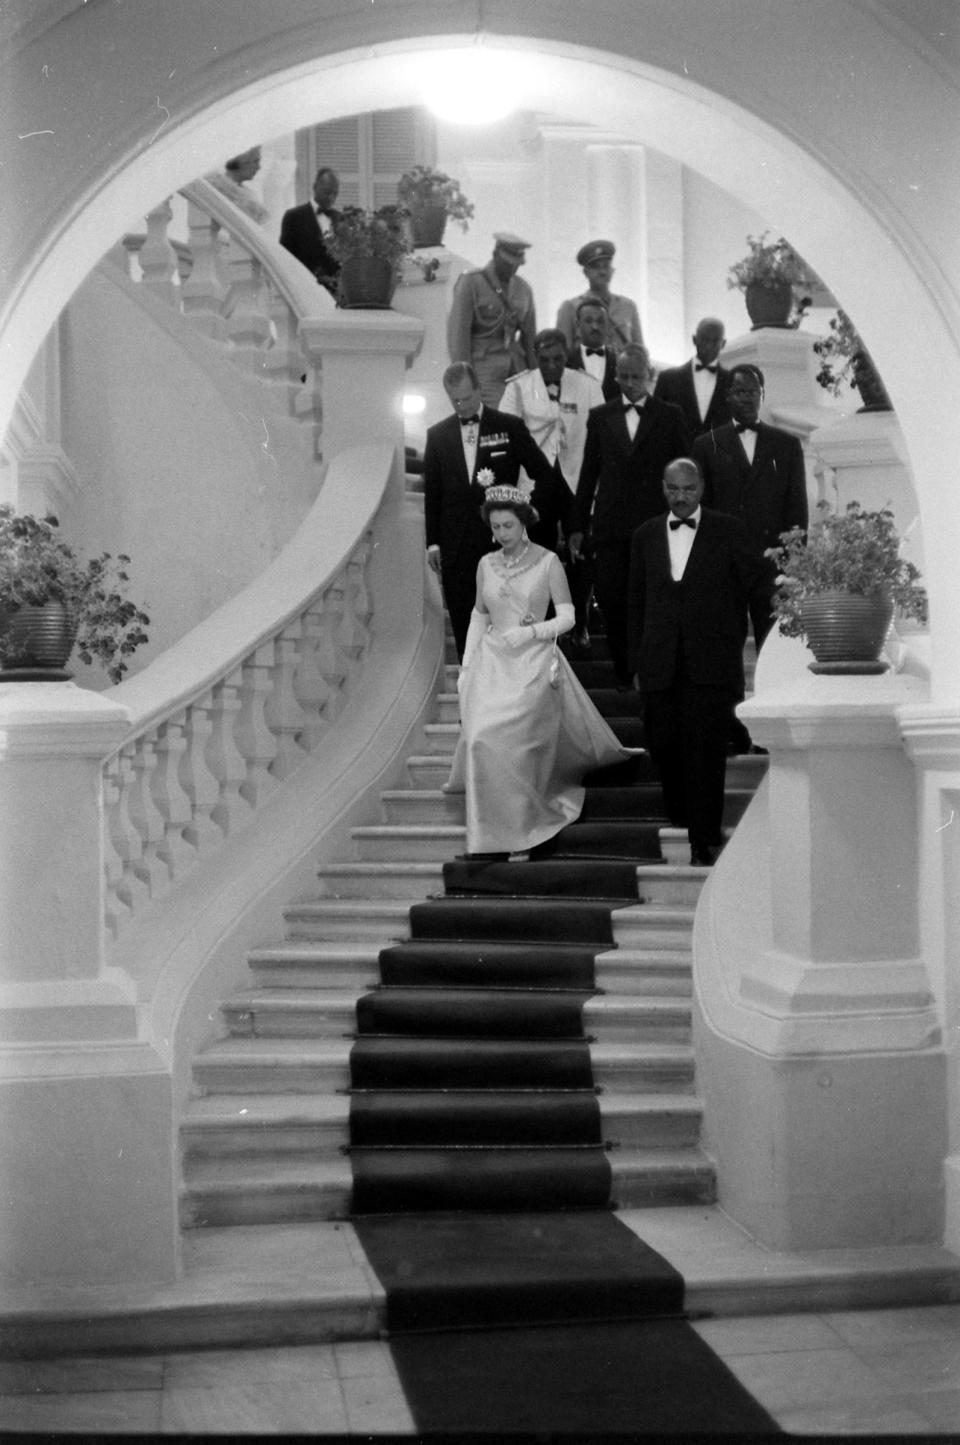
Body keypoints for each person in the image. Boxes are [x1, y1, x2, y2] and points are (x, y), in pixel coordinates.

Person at [445, 486, 636, 860]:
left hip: (534, 662)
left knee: (515, 736)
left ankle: (526, 825)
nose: (502, 534)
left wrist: (532, 631)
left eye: (509, 526)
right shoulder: (486, 563)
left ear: (525, 523)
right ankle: (491, 831)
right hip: (493, 662)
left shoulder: (549, 561)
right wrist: (466, 665)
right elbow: (478, 615)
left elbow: (568, 617)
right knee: (481, 736)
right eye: (497, 527)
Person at [627, 459, 772, 867]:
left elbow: (756, 591)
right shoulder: (645, 535)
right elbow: (636, 601)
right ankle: (683, 816)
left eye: (688, 488)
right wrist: (635, 661)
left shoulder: (730, 531)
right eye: (673, 488)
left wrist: (764, 645)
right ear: (663, 488)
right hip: (659, 661)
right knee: (665, 746)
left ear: (702, 487)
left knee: (706, 752)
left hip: (711, 663)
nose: (681, 496)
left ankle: (703, 840)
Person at [423, 362, 568, 661]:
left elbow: (544, 472)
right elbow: (433, 494)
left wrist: (528, 512)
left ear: (479, 389)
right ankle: (472, 677)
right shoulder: (437, 435)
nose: (462, 406)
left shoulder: (508, 427)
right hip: (457, 544)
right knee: (465, 616)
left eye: (467, 397)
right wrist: (433, 542)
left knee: (509, 614)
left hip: (502, 540)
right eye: (455, 401)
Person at [568, 344, 691, 688]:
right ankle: (625, 671)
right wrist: (578, 524)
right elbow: (588, 473)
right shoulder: (601, 416)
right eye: (623, 376)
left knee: (654, 601)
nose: (629, 383)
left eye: (636, 376)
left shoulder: (670, 416)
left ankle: (649, 671)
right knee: (610, 598)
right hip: (610, 527)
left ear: (649, 376)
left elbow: (686, 471)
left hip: (657, 527)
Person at [500, 329, 604, 649]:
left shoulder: (586, 385)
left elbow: (601, 434)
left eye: (558, 359)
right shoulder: (518, 386)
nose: (552, 365)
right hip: (536, 481)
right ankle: (543, 622)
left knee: (581, 551)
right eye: (544, 360)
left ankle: (580, 621)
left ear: (566, 355)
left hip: (576, 478)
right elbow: (507, 436)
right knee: (539, 551)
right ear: (535, 357)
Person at [692, 362, 808, 647]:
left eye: (753, 390)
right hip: (725, 563)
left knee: (774, 644)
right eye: (740, 391)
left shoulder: (787, 445)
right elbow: (701, 509)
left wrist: (793, 564)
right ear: (727, 396)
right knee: (724, 644)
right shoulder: (706, 445)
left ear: (762, 394)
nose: (747, 397)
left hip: (771, 566)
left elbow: (797, 508)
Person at [446, 233, 538, 406]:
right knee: (494, 423)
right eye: (508, 263)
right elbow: (459, 337)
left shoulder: (523, 289)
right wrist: (465, 383)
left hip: (517, 370)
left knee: (520, 426)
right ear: (496, 255)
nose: (512, 268)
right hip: (483, 370)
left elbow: (530, 341)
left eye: (517, 264)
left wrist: (537, 381)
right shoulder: (471, 282)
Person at [556, 240, 643, 353]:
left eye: (606, 266)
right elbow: (564, 352)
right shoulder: (570, 308)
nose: (602, 272)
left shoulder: (628, 306)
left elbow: (639, 350)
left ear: (612, 270)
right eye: (596, 267)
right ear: (585, 272)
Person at [653, 317, 734, 438]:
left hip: (718, 456)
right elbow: (655, 423)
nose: (708, 346)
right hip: (678, 455)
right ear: (694, 339)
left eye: (715, 340)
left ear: (723, 344)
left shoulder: (732, 381)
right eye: (704, 339)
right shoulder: (668, 379)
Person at [279, 166, 342, 295]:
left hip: (336, 294)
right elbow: (285, 257)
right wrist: (315, 276)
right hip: (305, 291)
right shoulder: (293, 217)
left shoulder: (340, 218)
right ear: (315, 187)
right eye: (327, 192)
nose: (331, 198)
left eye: (335, 193)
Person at [565, 298, 621, 401]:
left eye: (600, 321)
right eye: (589, 321)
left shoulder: (619, 362)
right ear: (577, 325)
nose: (595, 327)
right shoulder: (566, 362)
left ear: (608, 325)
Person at [206, 146, 268, 224]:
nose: (259, 167)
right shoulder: (216, 187)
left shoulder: (248, 193)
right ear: (241, 161)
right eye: (255, 161)